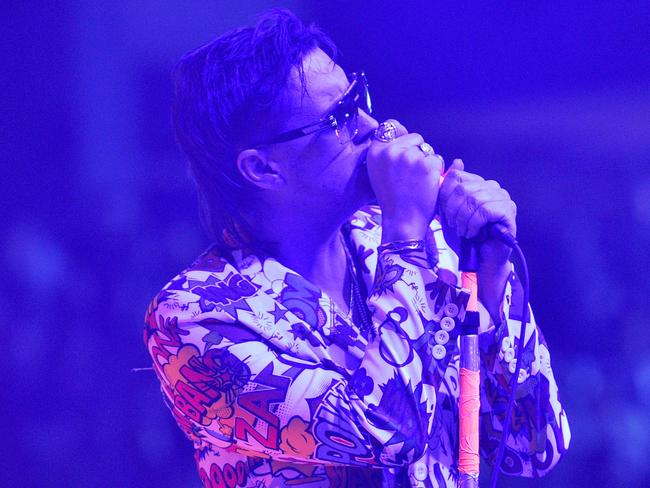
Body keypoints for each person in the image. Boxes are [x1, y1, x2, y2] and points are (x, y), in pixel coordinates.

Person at [144, 9, 570, 487]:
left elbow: (534, 448)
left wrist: (491, 281)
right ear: (262, 169)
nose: (374, 125)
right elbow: (384, 434)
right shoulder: (196, 317)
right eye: (339, 117)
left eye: (358, 97)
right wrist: (405, 232)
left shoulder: (418, 245)